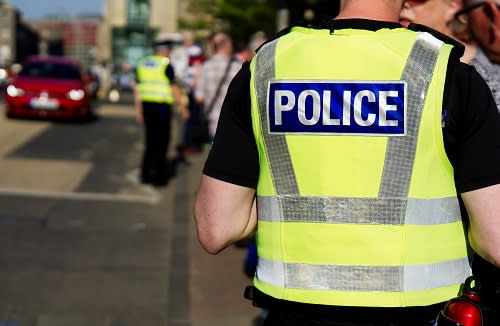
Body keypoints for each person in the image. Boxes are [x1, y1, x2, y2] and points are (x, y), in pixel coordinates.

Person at [193, 0, 500, 325]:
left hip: (292, 314)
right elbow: (495, 239)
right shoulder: (447, 73)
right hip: (421, 315)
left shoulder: (265, 66)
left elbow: (217, 228)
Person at [401, 1, 500, 321]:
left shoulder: (473, 78)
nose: (403, 8)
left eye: (416, 0)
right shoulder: (391, 75)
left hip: (473, 281)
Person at [133, 39, 187, 187]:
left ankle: (146, 174)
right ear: (163, 50)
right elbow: (173, 87)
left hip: (147, 106)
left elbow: (137, 88)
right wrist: (183, 105)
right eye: (168, 50)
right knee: (162, 142)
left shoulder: (143, 63)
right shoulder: (165, 64)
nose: (169, 53)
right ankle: (159, 177)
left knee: (150, 140)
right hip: (162, 107)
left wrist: (138, 110)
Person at [194, 32, 241, 141]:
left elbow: (199, 97)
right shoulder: (238, 67)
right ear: (227, 46)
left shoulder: (206, 67)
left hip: (214, 119)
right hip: (235, 118)